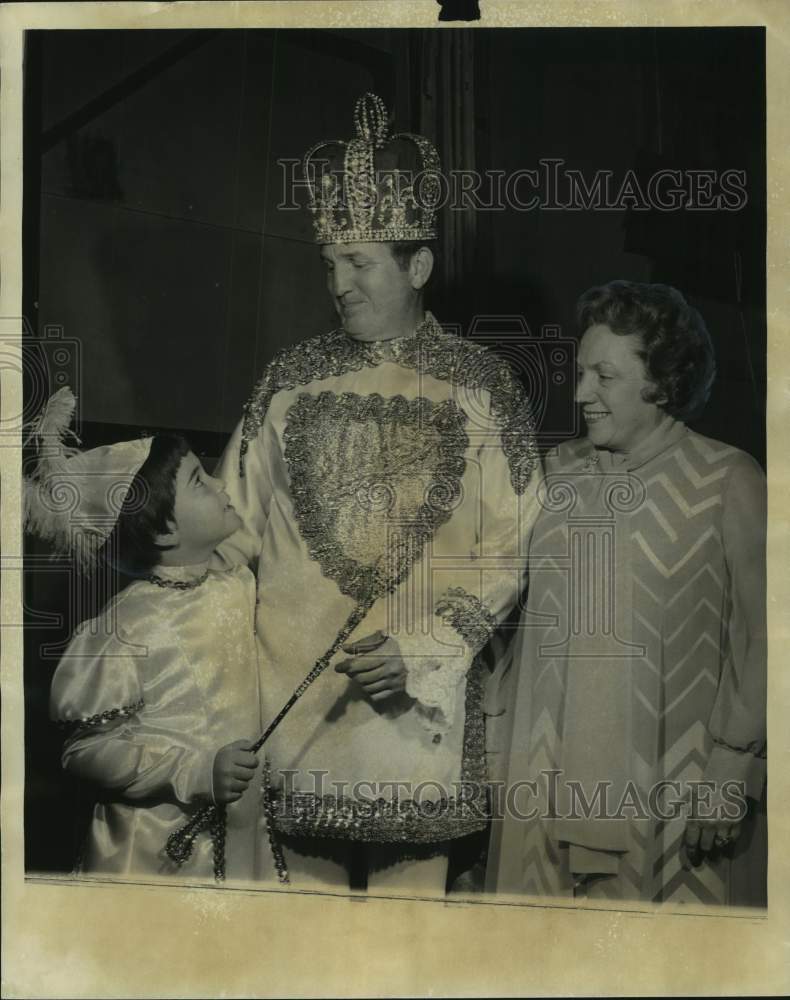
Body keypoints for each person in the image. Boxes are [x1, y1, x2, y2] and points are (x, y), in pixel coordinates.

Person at [215, 93, 542, 894]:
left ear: (417, 265)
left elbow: (519, 545)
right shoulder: (286, 381)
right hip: (290, 722)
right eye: (330, 263)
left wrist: (423, 654)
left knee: (408, 952)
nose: (339, 283)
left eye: (360, 262)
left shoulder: (483, 384)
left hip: (415, 725)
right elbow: (229, 532)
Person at [486, 280, 767, 905]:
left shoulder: (728, 479)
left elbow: (767, 636)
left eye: (604, 376)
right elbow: (507, 619)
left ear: (661, 383)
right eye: (581, 373)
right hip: (544, 778)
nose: (581, 393)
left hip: (675, 789)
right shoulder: (552, 472)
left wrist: (733, 767)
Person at [25, 387, 272, 883]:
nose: (223, 485)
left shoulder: (234, 583)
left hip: (239, 839)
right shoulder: (125, 627)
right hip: (153, 853)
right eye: (200, 482)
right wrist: (197, 771)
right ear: (162, 533)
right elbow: (85, 751)